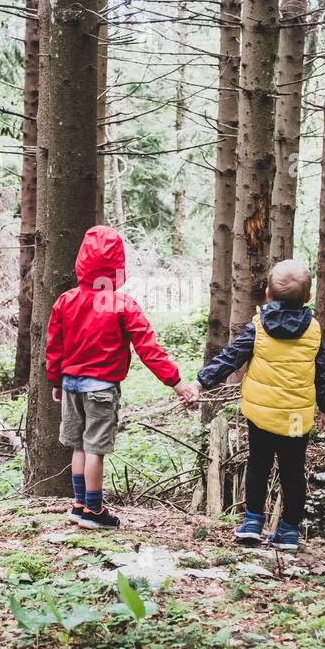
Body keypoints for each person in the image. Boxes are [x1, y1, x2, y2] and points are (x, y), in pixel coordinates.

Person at [45, 226, 195, 530]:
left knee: (78, 446)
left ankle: (78, 505)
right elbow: (148, 349)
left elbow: (54, 346)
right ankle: (94, 511)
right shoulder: (122, 305)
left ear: (81, 263)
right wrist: (177, 383)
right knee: (94, 450)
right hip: (101, 389)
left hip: (72, 385)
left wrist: (56, 380)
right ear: (117, 268)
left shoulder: (66, 301)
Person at [184, 259, 325, 551]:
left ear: (268, 293)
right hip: (296, 417)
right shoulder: (314, 330)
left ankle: (253, 523)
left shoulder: (258, 327)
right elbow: (324, 373)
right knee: (292, 471)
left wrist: (200, 383)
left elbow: (231, 358)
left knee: (258, 464)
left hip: (261, 414)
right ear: (308, 297)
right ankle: (289, 532)